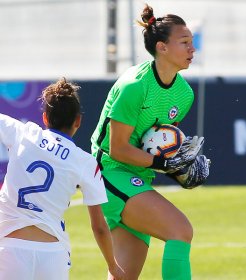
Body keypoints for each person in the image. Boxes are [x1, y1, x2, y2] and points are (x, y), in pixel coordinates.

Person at [91, 4, 210, 280]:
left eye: (192, 42)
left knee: (123, 275)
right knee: (180, 231)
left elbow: (157, 144)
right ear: (162, 47)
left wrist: (178, 168)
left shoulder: (184, 94)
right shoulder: (135, 85)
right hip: (108, 172)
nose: (192, 49)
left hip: (137, 178)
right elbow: (116, 148)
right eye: (185, 43)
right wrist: (164, 163)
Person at [0, 78, 125, 280]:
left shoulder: (24, 133)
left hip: (10, 249)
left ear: (45, 118)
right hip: (53, 255)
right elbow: (99, 227)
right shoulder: (86, 162)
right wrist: (113, 266)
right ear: (78, 121)